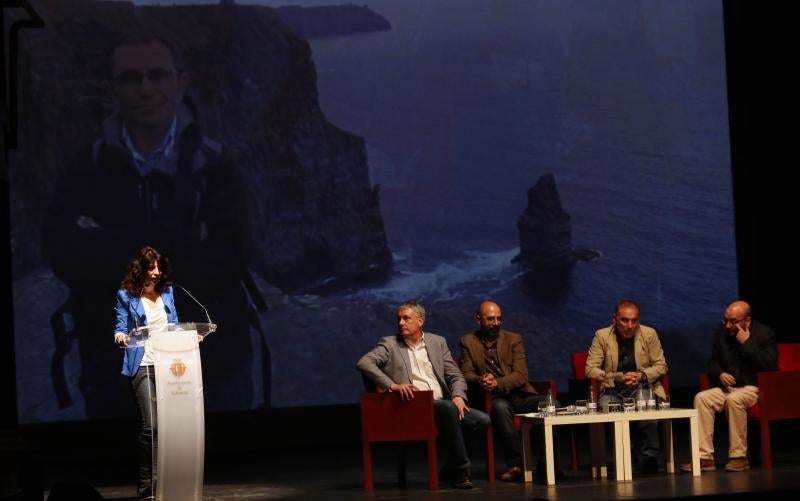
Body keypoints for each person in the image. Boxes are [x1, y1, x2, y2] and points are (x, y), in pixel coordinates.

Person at [43, 31, 259, 416]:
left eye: (157, 75)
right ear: (112, 89)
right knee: (123, 474)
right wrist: (183, 240)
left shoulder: (218, 167)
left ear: (181, 82)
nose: (146, 89)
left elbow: (232, 256)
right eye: (131, 78)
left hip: (215, 372)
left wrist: (113, 245)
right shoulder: (84, 169)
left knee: (226, 474)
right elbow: (66, 257)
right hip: (116, 373)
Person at [357, 301, 490, 489]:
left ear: (420, 321)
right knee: (446, 407)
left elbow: (455, 375)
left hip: (443, 404)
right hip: (412, 405)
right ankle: (461, 470)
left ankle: (450, 466)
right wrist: (392, 385)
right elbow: (364, 363)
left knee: (482, 420)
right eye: (399, 319)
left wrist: (458, 395)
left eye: (406, 318)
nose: (401, 323)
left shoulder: (437, 342)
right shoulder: (389, 344)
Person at [115, 246, 182, 501]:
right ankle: (146, 488)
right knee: (150, 426)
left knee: (167, 427)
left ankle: (166, 484)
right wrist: (120, 336)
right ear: (141, 268)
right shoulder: (127, 296)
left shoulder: (168, 293)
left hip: (168, 365)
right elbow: (119, 327)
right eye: (151, 267)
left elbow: (174, 325)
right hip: (141, 364)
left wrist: (190, 336)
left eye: (159, 267)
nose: (156, 273)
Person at [681, 300, 777, 473]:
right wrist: (720, 374)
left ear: (747, 321)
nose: (728, 325)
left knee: (734, 400)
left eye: (733, 321)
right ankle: (705, 458)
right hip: (728, 388)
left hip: (755, 388)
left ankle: (739, 457)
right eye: (725, 320)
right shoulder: (722, 333)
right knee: (702, 398)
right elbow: (712, 362)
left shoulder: (764, 334)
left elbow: (770, 366)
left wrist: (747, 344)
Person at [459, 301, 544, 482]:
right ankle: (516, 465)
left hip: (519, 394)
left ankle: (549, 464)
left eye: (499, 319)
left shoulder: (514, 339)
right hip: (492, 398)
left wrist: (497, 382)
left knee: (552, 406)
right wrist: (481, 380)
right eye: (490, 319)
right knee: (499, 407)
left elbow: (521, 375)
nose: (496, 323)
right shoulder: (467, 341)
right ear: (478, 319)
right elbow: (466, 373)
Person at [585, 299, 668, 473]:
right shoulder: (602, 335)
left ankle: (649, 457)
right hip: (612, 388)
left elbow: (661, 366)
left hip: (642, 386)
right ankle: (626, 453)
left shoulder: (649, 334)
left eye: (634, 320)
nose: (630, 325)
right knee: (609, 409)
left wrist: (642, 375)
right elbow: (590, 369)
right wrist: (617, 377)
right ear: (614, 319)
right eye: (624, 320)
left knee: (646, 405)